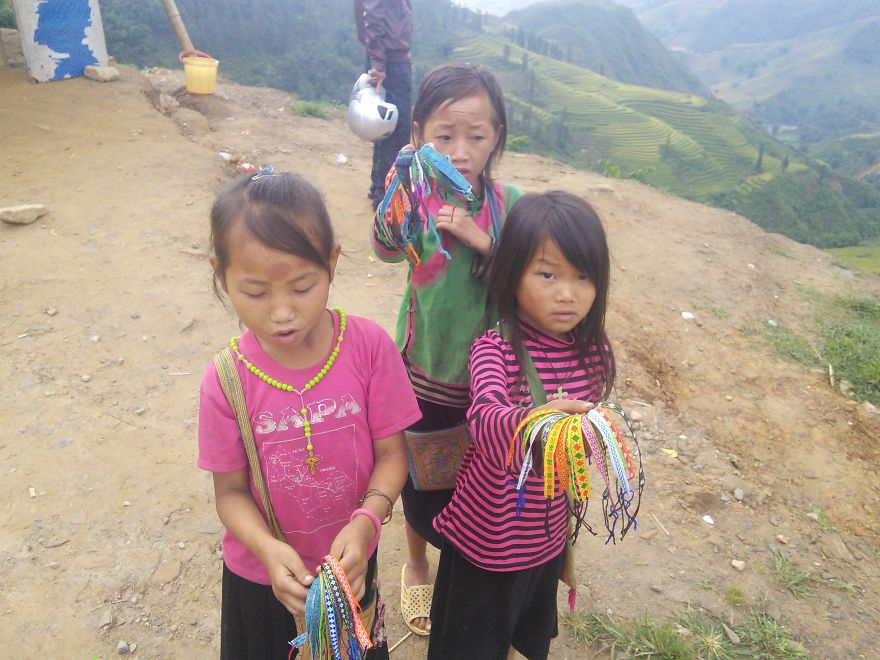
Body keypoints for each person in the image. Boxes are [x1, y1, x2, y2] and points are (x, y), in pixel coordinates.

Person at [198, 172, 421, 659]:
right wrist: (265, 549)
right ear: (221, 274)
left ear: (332, 263)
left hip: (349, 572)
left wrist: (367, 521)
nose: (282, 312)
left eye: (302, 286)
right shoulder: (226, 381)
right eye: (255, 293)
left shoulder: (367, 348)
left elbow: (392, 455)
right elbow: (231, 493)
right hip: (262, 578)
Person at [429, 191, 617, 660]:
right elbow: (488, 422)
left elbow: (583, 435)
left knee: (521, 636)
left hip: (547, 531)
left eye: (583, 276)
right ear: (512, 274)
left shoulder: (592, 352)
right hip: (487, 540)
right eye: (547, 274)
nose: (567, 294)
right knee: (468, 642)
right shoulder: (497, 350)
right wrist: (544, 418)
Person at [371, 62, 523, 637]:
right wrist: (398, 194)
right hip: (423, 374)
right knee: (420, 481)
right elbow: (386, 251)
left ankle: (468, 572)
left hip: (493, 386)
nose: (460, 151)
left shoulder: (511, 207)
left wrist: (478, 237)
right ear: (417, 139)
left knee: (481, 485)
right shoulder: (415, 196)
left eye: (476, 136)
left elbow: (531, 278)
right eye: (443, 136)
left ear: (497, 138)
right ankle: (416, 563)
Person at [354, 0, 413, 210]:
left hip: (386, 57)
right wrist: (378, 63)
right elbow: (373, 11)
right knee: (396, 129)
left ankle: (379, 187)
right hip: (390, 61)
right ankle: (388, 197)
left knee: (384, 125)